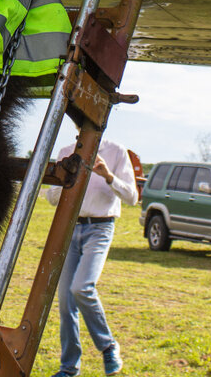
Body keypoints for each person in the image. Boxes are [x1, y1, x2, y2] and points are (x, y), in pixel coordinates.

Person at [45, 138, 138, 377]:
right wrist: (64, 178)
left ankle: (108, 346)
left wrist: (108, 175)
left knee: (82, 288)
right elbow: (52, 197)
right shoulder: (67, 151)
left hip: (100, 228)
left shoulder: (116, 152)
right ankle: (68, 368)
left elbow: (131, 197)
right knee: (66, 302)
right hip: (71, 227)